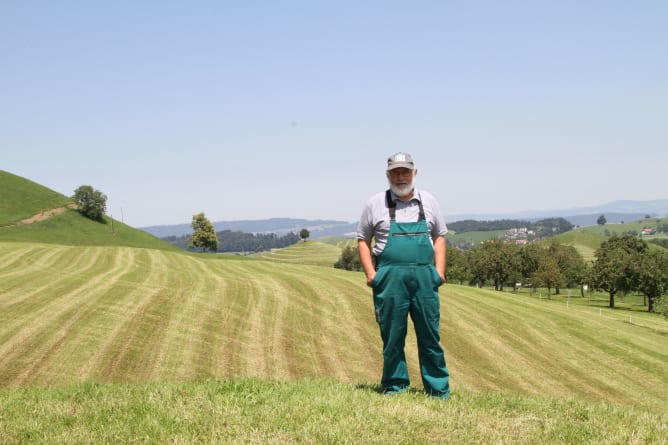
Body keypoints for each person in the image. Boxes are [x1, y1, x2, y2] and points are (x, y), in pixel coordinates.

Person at [356, 152, 450, 398]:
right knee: (393, 337)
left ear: (414, 173)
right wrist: (372, 275)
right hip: (390, 280)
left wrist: (439, 272)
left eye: (405, 172)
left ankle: (438, 390)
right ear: (388, 176)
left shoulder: (428, 201)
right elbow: (362, 239)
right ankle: (395, 386)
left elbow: (439, 235)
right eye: (395, 173)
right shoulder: (375, 203)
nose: (401, 177)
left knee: (430, 335)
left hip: (424, 279)